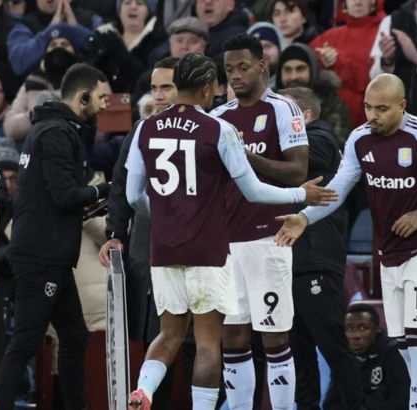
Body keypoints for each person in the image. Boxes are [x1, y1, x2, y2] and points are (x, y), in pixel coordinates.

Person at [124, 53, 336, 410]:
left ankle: (144, 389)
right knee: (208, 343)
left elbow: (133, 195)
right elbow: (254, 191)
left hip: (163, 248)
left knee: (169, 333)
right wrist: (302, 194)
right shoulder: (216, 129)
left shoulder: (146, 127)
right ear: (208, 88)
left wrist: (165, 213)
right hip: (207, 249)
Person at [274, 73, 417, 410]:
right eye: (368, 107)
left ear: (402, 106)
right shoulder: (359, 139)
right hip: (390, 255)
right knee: (402, 347)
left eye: (382, 109)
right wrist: (304, 217)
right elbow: (339, 189)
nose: (373, 115)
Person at [0, 63, 111, 410]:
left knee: (74, 338)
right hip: (42, 258)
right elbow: (64, 195)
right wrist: (105, 189)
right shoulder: (58, 133)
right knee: (24, 343)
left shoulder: (48, 129)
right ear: (83, 96)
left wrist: (89, 202)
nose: (106, 105)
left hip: (52, 256)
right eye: (102, 97)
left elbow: (54, 199)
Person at [210, 34, 309, 410]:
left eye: (243, 67)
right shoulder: (218, 118)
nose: (235, 76)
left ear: (262, 66)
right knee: (232, 336)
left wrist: (247, 156)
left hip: (270, 238)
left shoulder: (284, 109)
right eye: (229, 69)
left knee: (274, 336)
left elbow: (298, 171)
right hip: (226, 243)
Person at [100, 56, 189, 410]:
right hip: (146, 246)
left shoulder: (212, 128)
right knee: (155, 337)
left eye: (166, 86)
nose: (159, 95)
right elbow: (121, 185)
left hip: (198, 250)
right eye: (154, 88)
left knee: (200, 342)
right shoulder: (141, 129)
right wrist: (114, 233)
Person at [276, 87, 364, 410]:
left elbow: (287, 161)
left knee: (332, 346)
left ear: (306, 118)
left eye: (282, 114)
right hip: (291, 259)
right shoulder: (296, 143)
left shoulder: (322, 139)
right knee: (299, 353)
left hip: (315, 259)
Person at [324, 303, 410, 410]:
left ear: (377, 330)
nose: (356, 336)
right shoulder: (342, 357)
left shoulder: (394, 353)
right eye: (349, 329)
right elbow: (330, 405)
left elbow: (401, 404)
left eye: (363, 328)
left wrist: (357, 405)